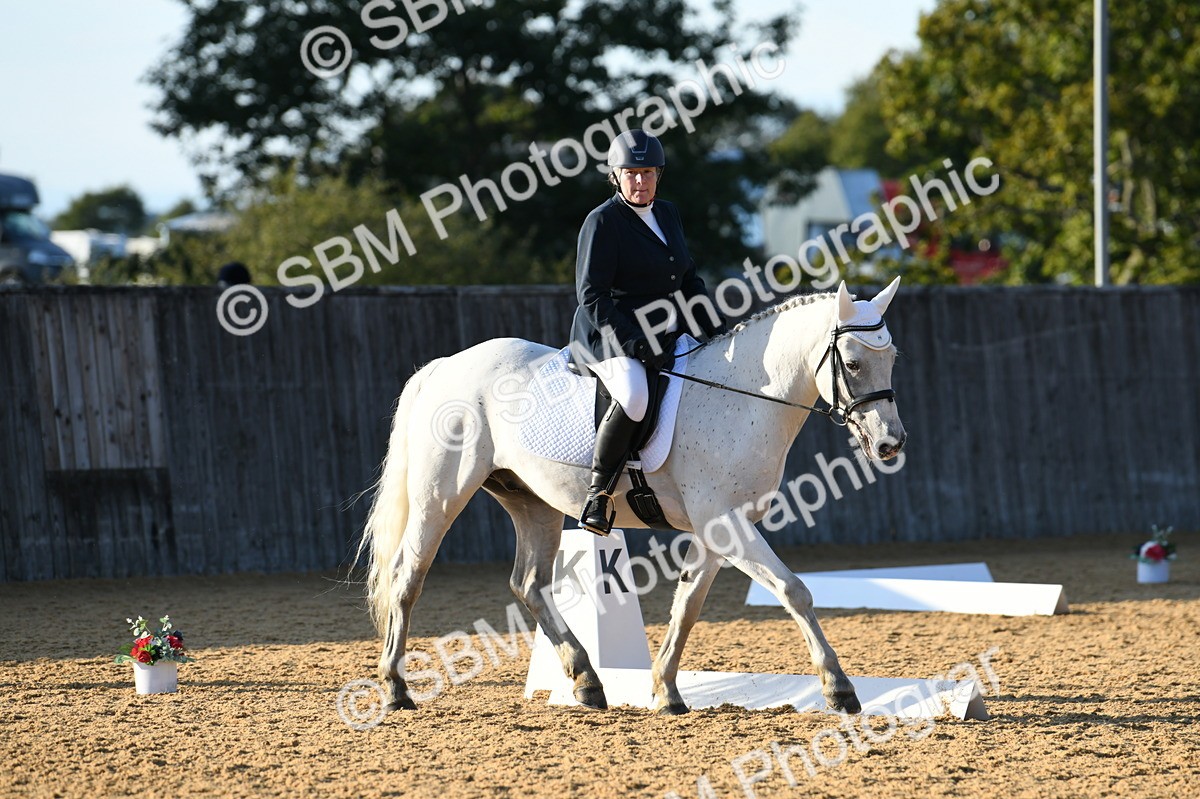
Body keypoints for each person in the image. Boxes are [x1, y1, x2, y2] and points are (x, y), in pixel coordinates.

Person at [569, 129, 725, 535]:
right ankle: (598, 496)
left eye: (648, 173)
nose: (640, 182)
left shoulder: (668, 214)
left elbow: (687, 278)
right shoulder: (603, 221)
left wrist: (715, 328)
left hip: (665, 332)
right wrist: (635, 344)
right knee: (636, 396)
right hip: (611, 337)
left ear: (659, 174)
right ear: (616, 176)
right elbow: (592, 295)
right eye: (631, 173)